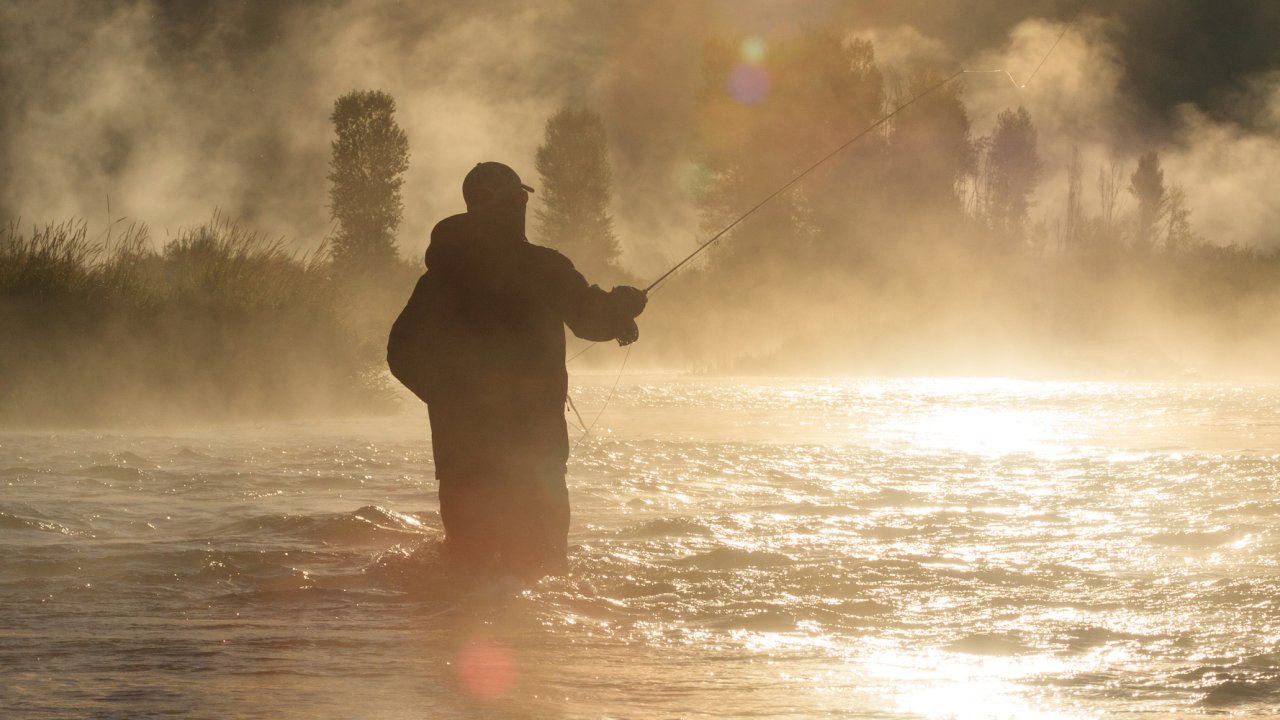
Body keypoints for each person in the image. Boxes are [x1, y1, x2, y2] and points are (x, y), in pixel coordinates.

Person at [388, 161, 647, 581]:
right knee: (543, 572)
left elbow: (400, 353)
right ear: (510, 206)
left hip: (461, 454)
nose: (524, 207)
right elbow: (588, 319)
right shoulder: (544, 268)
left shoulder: (439, 280)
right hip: (534, 451)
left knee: (463, 574)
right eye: (520, 199)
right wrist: (624, 306)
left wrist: (451, 399)